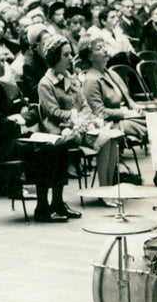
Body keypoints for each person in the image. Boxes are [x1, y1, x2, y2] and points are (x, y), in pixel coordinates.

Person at [0, 44, 75, 223]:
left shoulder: (6, 87)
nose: (3, 65)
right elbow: (0, 127)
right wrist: (19, 120)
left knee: (60, 143)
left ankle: (58, 202)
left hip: (13, 140)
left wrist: (18, 118)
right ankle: (42, 207)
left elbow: (33, 110)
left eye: (3, 60)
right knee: (46, 149)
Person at [78, 36, 157, 191]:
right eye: (99, 48)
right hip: (112, 124)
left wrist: (135, 107)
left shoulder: (110, 73)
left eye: (104, 45)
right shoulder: (91, 80)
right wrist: (124, 113)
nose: (105, 50)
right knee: (156, 127)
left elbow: (127, 98)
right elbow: (98, 112)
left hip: (127, 116)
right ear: (90, 56)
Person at [38, 37, 123, 189]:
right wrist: (75, 116)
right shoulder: (45, 83)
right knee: (105, 138)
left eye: (70, 53)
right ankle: (104, 190)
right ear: (55, 57)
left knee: (113, 136)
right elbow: (52, 112)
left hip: (81, 125)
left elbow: (85, 105)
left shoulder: (71, 79)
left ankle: (110, 187)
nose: (71, 58)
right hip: (61, 130)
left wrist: (84, 119)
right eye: (66, 55)